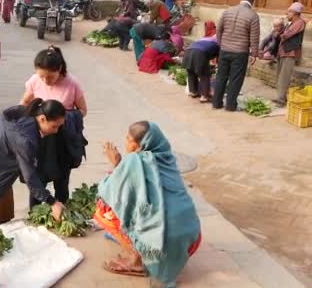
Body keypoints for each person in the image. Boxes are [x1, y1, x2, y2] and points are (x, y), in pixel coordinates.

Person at [95, 121, 201, 287]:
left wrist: (117, 164)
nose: (125, 142)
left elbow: (107, 191)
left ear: (138, 146)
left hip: (159, 248)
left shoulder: (134, 161)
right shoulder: (166, 156)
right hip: (191, 241)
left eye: (128, 139)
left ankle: (137, 261)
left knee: (103, 209)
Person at [20, 47, 88, 206]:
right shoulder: (34, 81)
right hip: (40, 139)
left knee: (62, 181)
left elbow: (83, 110)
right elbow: (24, 104)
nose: (45, 81)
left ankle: (62, 211)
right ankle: (35, 214)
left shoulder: (72, 84)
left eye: (49, 77)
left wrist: (63, 119)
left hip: (62, 140)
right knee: (38, 179)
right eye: (41, 76)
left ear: (59, 69)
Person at [214, 0, 260, 111]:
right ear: (252, 2)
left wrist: (221, 44)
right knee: (236, 78)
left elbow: (218, 29)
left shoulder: (227, 11)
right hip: (240, 52)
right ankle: (230, 105)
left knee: (221, 76)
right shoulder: (253, 15)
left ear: (241, 0)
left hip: (224, 49)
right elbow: (254, 37)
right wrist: (254, 54)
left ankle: (216, 103)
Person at [274, 2, 307, 107]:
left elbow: (287, 35)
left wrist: (279, 32)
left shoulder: (299, 23)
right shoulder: (291, 22)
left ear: (295, 13)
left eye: (289, 12)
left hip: (290, 53)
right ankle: (281, 97)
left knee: (284, 77)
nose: (286, 14)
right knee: (280, 75)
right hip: (283, 52)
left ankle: (281, 100)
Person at [182, 35, 220, 103]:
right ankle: (204, 96)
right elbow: (218, 59)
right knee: (204, 75)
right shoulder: (217, 45)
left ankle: (193, 92)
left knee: (191, 73)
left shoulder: (204, 41)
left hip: (188, 52)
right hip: (199, 54)